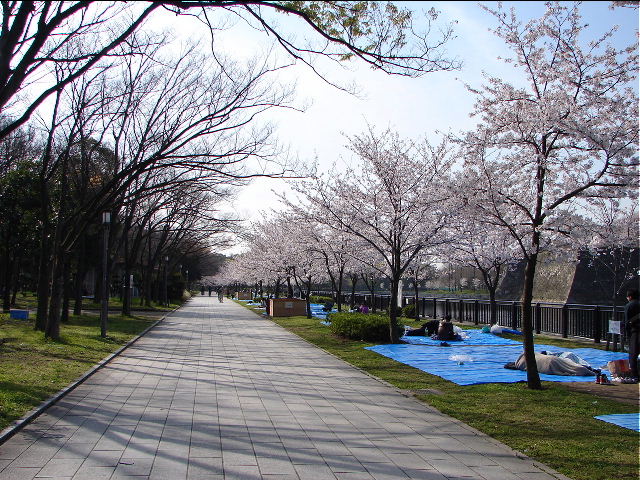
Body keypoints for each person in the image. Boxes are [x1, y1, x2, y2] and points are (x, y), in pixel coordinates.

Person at [624, 288, 639, 381]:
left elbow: (627, 322)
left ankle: (635, 376)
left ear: (629, 297)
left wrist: (627, 335)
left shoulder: (629, 306)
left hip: (635, 332)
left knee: (633, 355)